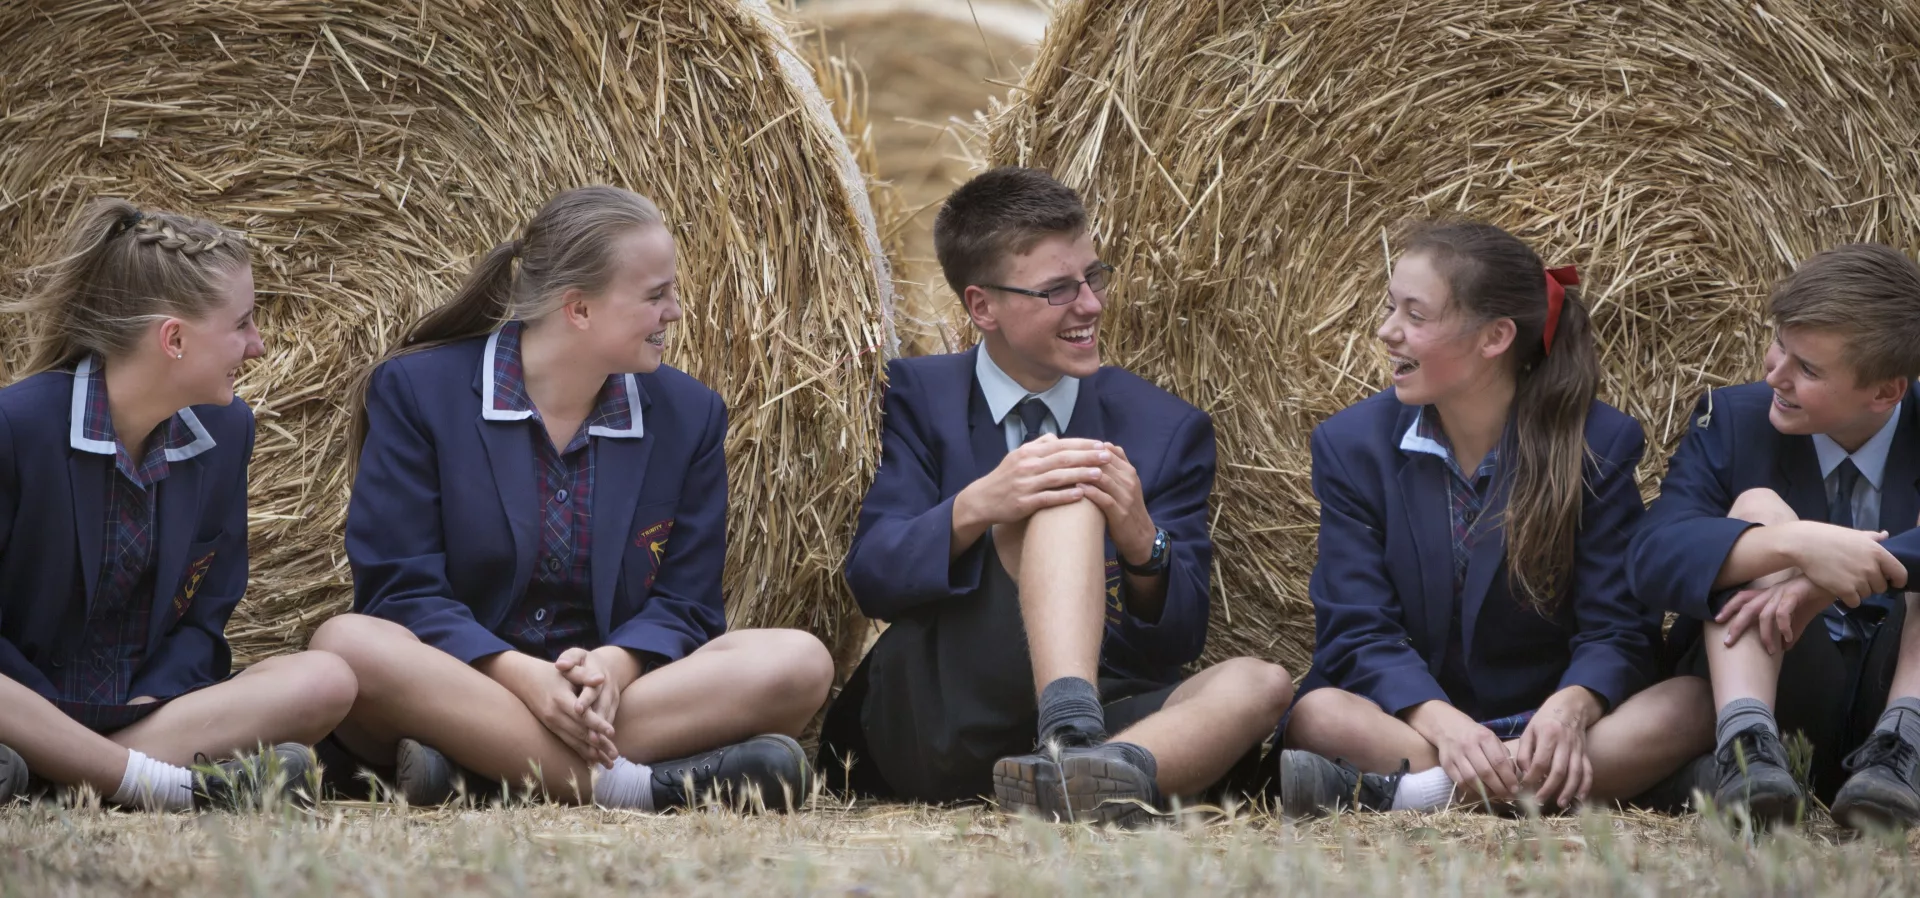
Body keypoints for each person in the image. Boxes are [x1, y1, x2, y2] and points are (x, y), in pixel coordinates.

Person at [309, 186, 834, 812]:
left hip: (609, 698)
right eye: (655, 295)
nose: (677, 312)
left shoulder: (690, 415)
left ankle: (476, 769)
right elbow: (401, 591)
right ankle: (629, 786)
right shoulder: (419, 392)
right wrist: (518, 675)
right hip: (458, 678)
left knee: (799, 662)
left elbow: (687, 606)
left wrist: (613, 667)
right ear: (578, 309)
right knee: (346, 645)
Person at [816, 167, 1294, 827]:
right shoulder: (920, 396)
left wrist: (1140, 542)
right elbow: (874, 581)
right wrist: (978, 505)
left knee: (1261, 684)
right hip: (944, 715)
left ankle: (1082, 773)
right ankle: (1076, 742)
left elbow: (1178, 640)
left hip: (1112, 704)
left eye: (1094, 277)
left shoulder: (1165, 427)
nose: (1091, 305)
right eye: (1058, 290)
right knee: (1068, 493)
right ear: (982, 306)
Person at [1278, 221, 1711, 817]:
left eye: (1415, 314)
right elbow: (1357, 628)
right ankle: (1554, 792)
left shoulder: (1597, 444)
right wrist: (1447, 727)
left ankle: (1419, 796)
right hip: (1418, 726)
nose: (1386, 331)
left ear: (1495, 338)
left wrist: (1569, 710)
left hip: (1550, 728)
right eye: (1389, 307)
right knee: (1317, 713)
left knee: (1692, 702)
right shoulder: (1351, 445)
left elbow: (1617, 628)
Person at [0, 199, 355, 810]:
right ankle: (166, 784)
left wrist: (156, 692)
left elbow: (205, 614)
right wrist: (44, 714)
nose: (259, 345)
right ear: (174, 339)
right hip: (21, 698)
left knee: (327, 679)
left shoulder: (227, 432)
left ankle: (56, 774)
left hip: (145, 712)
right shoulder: (15, 426)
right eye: (242, 324)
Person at [1630, 244, 1920, 830]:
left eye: (1807, 370)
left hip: (1895, 684)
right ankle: (1747, 747)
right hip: (1781, 679)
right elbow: (1650, 557)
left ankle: (1902, 751)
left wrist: (1857, 562)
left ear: (1886, 391)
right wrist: (1794, 546)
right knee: (1757, 509)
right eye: (1780, 345)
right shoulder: (1732, 420)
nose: (1774, 375)